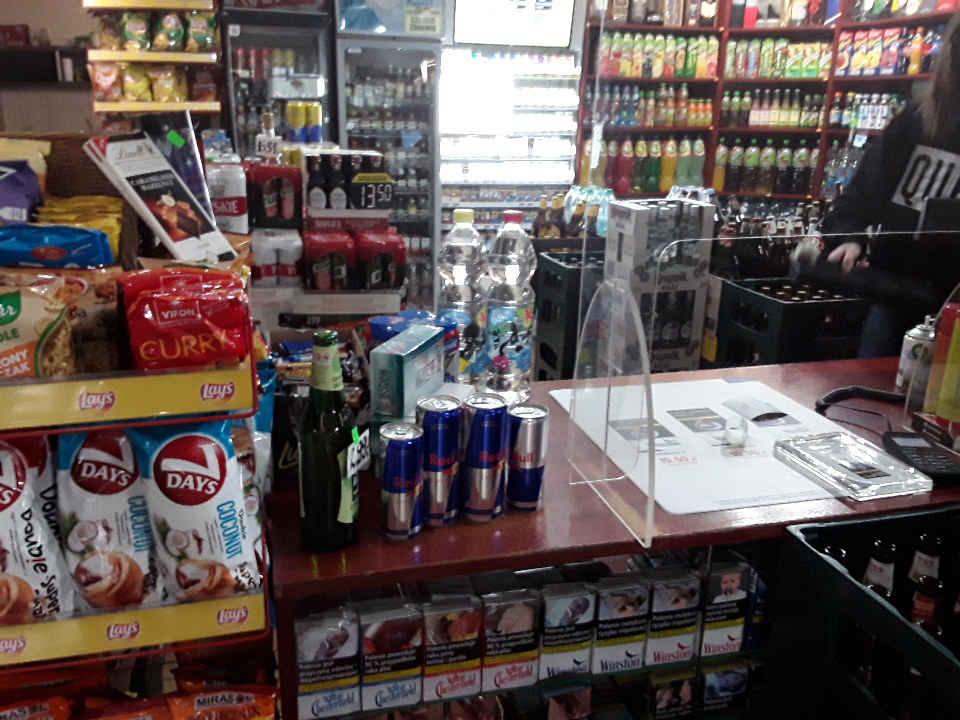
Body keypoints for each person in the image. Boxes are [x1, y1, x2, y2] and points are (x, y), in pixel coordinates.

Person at [820, 15, 960, 357]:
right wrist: (849, 238)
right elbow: (855, 201)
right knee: (870, 387)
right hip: (898, 300)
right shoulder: (915, 121)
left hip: (947, 309)